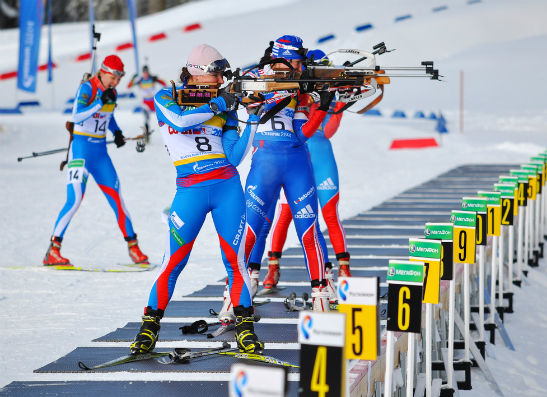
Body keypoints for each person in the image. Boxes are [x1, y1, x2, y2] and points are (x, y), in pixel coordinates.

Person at [130, 44, 264, 355]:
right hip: (189, 190)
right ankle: (149, 327)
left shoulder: (225, 106)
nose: (221, 80)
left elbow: (234, 156)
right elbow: (179, 121)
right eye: (216, 74)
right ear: (199, 72)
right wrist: (220, 102)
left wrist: (252, 119)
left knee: (236, 262)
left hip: (226, 187)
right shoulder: (167, 95)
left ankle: (244, 328)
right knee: (172, 263)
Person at [248, 50, 351, 301]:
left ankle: (336, 276)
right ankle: (262, 273)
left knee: (322, 218)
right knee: (269, 220)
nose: (301, 67)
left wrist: (333, 103)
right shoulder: (273, 79)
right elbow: (245, 83)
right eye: (300, 63)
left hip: (307, 159)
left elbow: (324, 131)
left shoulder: (304, 90)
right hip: (275, 158)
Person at [44, 55, 148, 266]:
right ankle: (52, 251)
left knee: (117, 200)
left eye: (120, 78)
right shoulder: (87, 88)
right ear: (104, 71)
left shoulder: (113, 91)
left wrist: (117, 132)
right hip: (81, 151)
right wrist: (100, 101)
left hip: (100, 153)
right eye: (114, 77)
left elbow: (107, 117)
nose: (116, 82)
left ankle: (134, 247)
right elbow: (77, 116)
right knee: (75, 199)